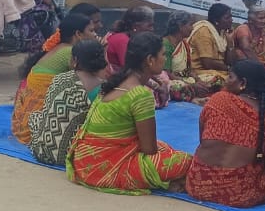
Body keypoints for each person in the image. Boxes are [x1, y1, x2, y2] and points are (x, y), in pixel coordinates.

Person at [66, 32, 191, 194]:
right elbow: (149, 149)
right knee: (186, 161)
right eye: (163, 54)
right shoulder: (140, 95)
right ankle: (171, 181)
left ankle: (170, 181)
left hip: (84, 162)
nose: (165, 58)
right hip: (104, 170)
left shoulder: (114, 83)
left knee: (165, 148)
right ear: (150, 60)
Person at [186, 60, 265, 208]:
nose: (226, 81)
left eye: (230, 77)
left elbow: (202, 140)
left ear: (243, 83)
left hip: (198, 184)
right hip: (239, 193)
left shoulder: (218, 100)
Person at [11, 11, 96, 143]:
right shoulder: (71, 52)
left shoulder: (59, 47)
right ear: (78, 34)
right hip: (37, 122)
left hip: (27, 116)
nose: (95, 34)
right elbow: (92, 77)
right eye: (91, 31)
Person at [28, 39, 108, 167]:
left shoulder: (60, 78)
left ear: (75, 60)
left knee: (36, 117)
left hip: (42, 150)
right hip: (70, 155)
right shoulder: (102, 89)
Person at [184, 3, 233, 96]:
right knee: (225, 82)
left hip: (217, 70)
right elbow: (207, 63)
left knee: (236, 80)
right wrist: (229, 68)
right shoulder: (204, 31)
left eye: (231, 17)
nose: (231, 20)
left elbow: (228, 61)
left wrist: (230, 45)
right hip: (199, 71)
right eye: (227, 18)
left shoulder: (222, 33)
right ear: (216, 20)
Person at [231, 6, 265, 84]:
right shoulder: (243, 29)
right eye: (261, 18)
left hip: (263, 63)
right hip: (247, 63)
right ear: (250, 20)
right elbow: (246, 48)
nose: (264, 21)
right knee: (239, 53)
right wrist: (260, 68)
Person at [106, 5, 155, 73]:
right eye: (149, 26)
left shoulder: (130, 39)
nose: (152, 29)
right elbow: (129, 69)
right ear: (136, 26)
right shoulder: (122, 40)